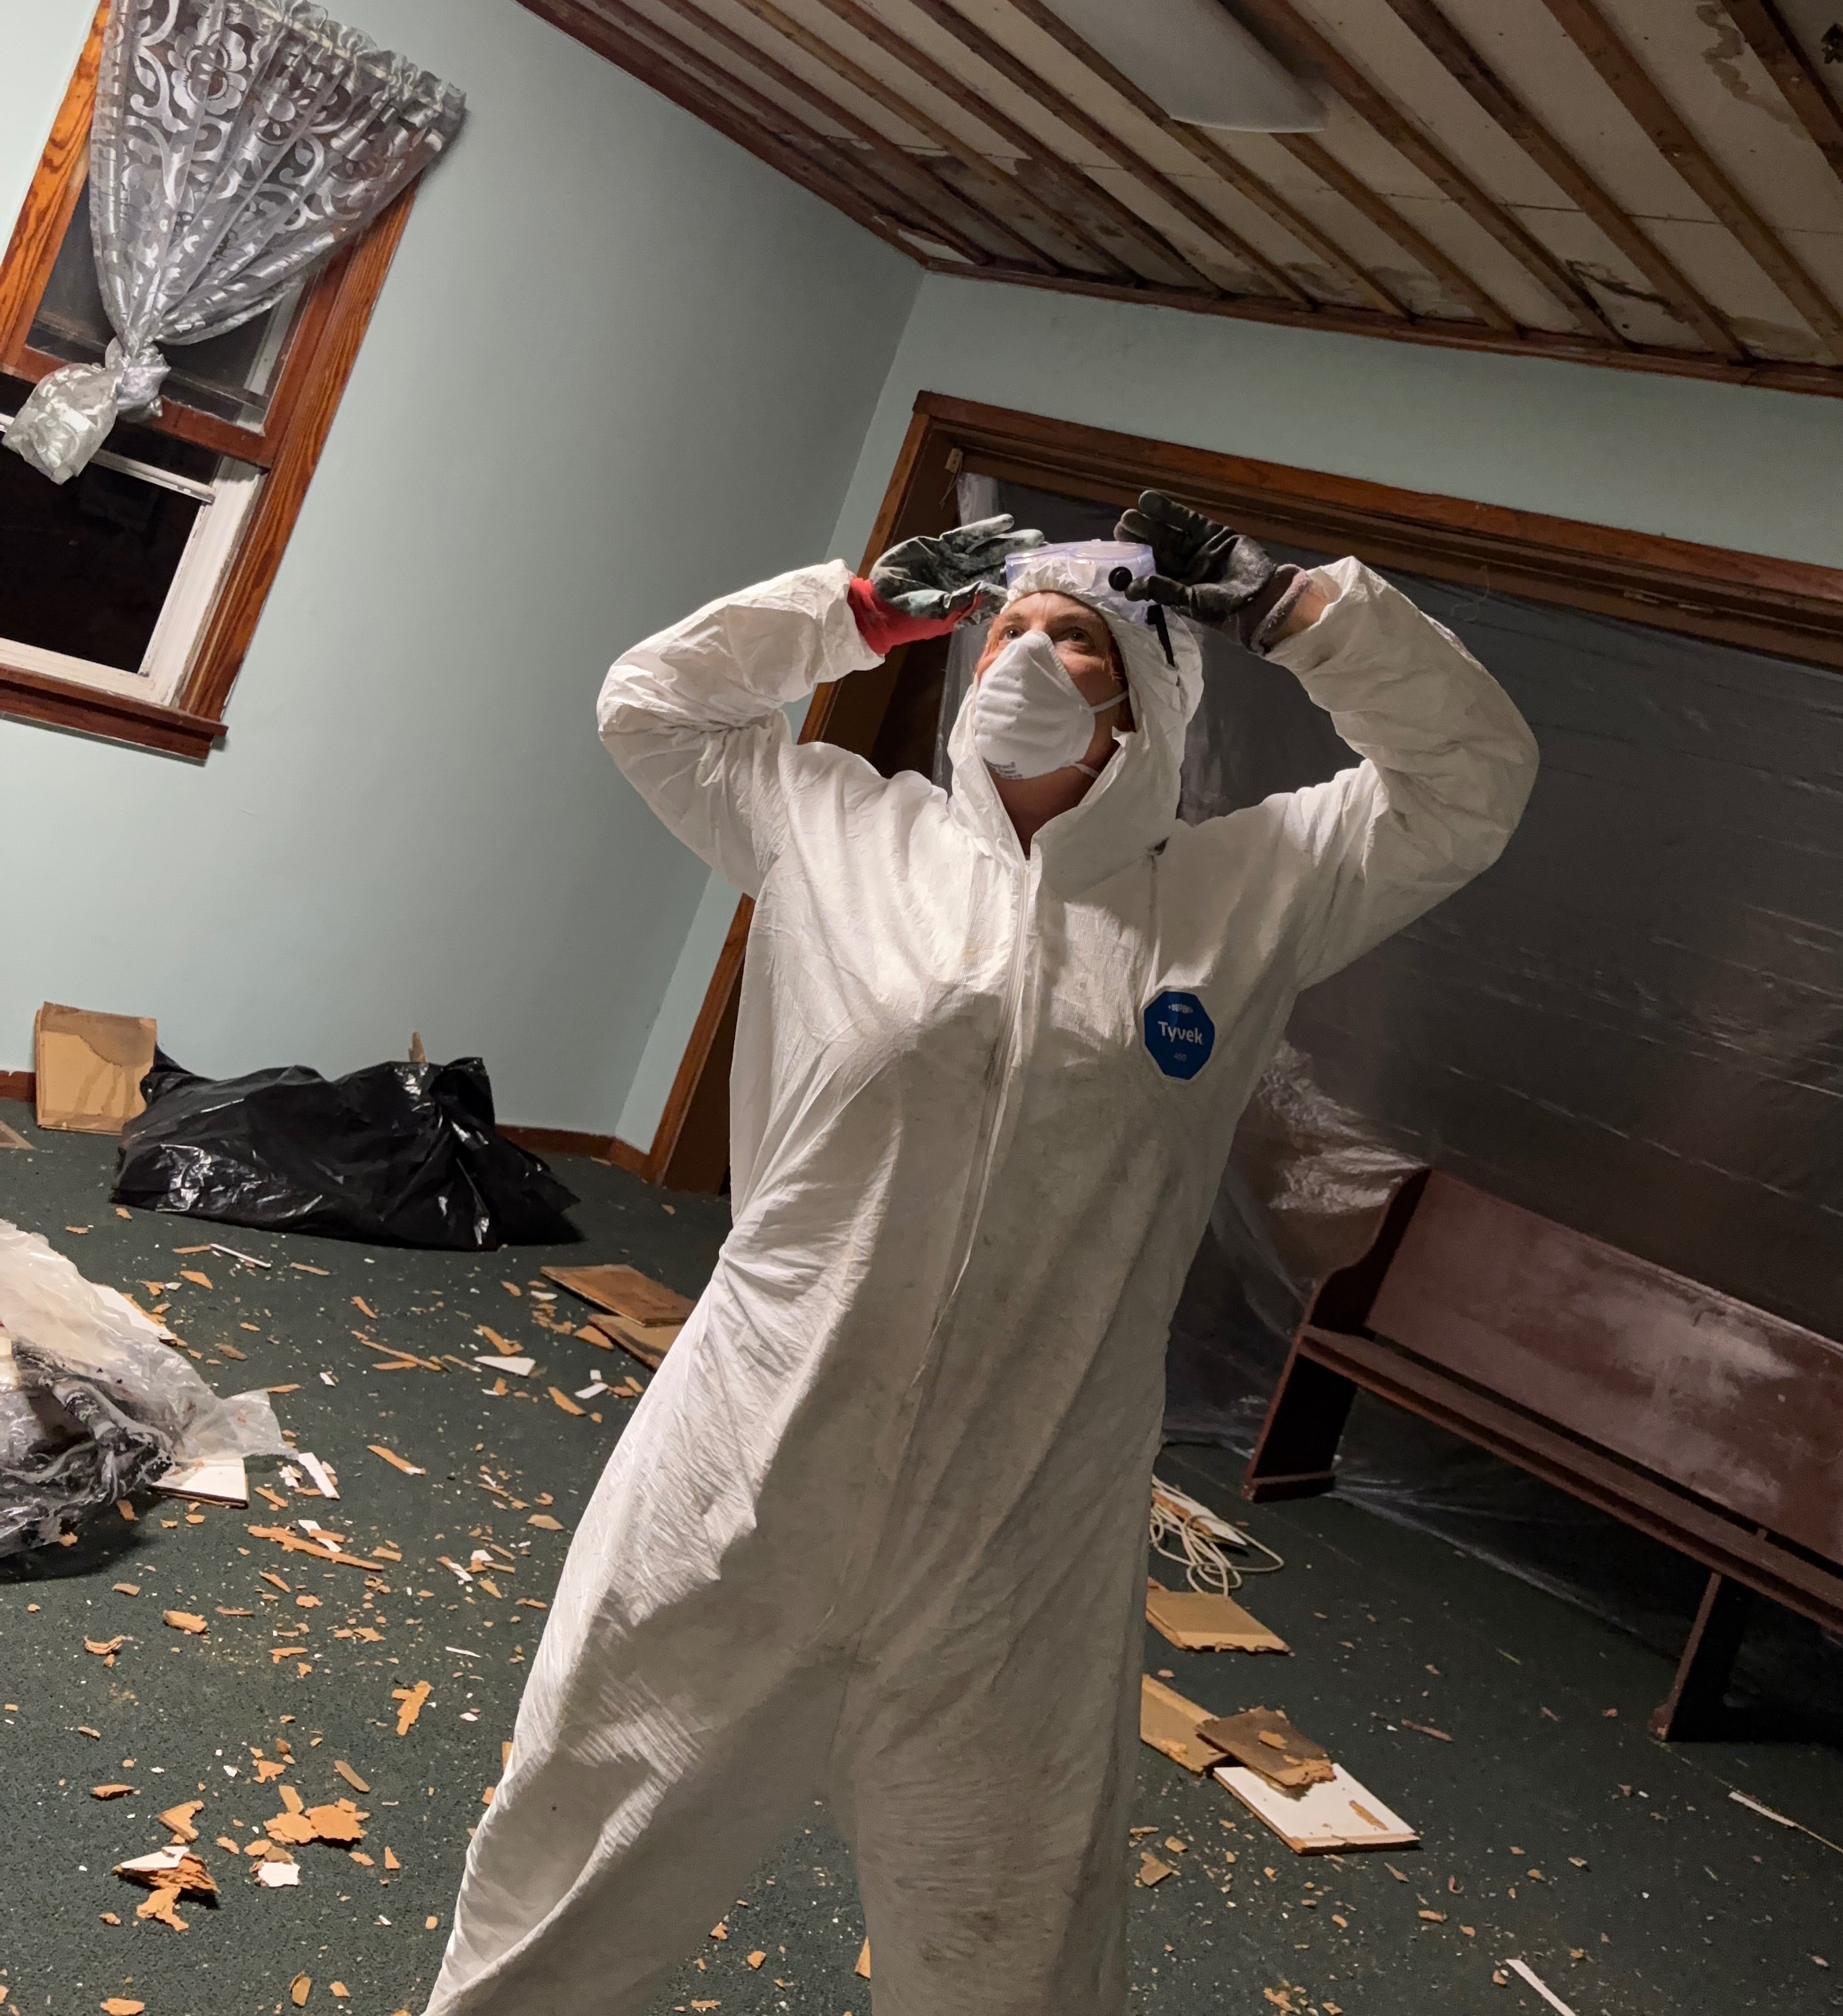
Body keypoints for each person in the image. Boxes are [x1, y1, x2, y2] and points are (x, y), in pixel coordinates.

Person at [426, 491, 1538, 2016]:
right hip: (751, 1466)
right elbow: (654, 703)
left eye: (1076, 637)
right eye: (1006, 624)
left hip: (1025, 1519)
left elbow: (1470, 781)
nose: (1025, 653)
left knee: (1012, 1944)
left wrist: (1295, 610)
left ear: (1148, 698)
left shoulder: (1248, 893)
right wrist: (857, 613)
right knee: (569, 1866)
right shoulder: (838, 830)